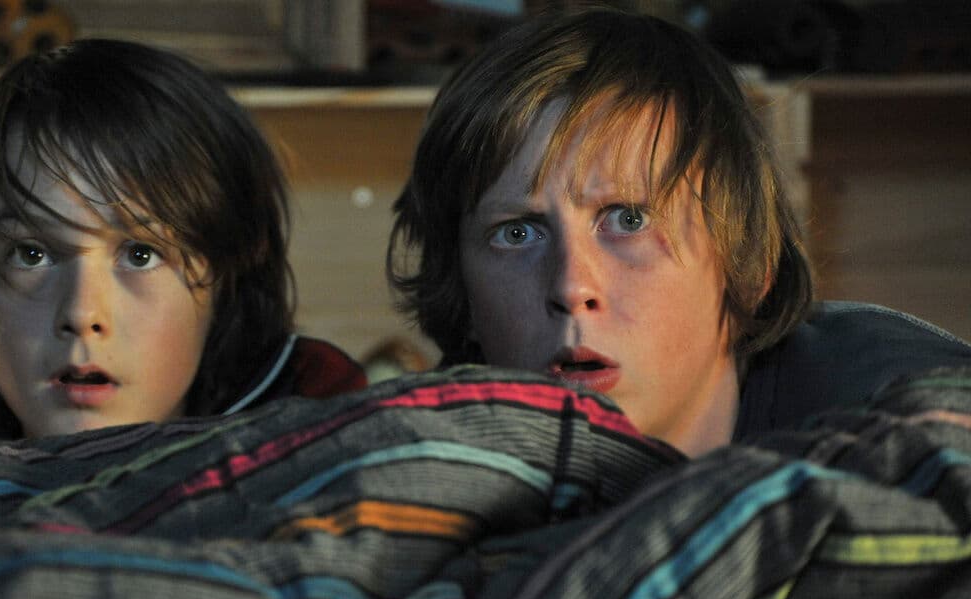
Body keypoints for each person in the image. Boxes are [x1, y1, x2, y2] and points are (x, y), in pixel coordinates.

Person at [389, 7, 971, 457]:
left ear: (747, 264)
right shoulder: (421, 452)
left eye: (629, 220)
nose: (570, 287)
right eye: (517, 234)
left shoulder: (904, 419)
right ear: (462, 293)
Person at [0, 39, 365, 450]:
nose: (82, 314)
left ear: (226, 281)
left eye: (141, 254)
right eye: (31, 254)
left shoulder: (330, 476)